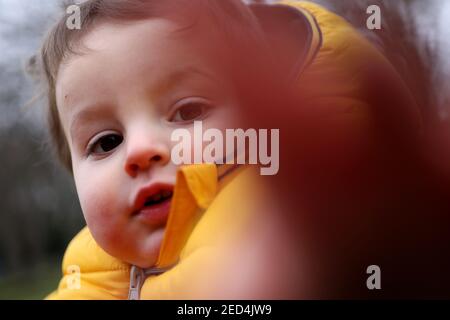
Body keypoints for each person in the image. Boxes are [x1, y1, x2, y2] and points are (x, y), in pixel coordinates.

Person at [36, 0, 421, 299]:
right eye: (107, 142)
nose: (141, 150)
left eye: (188, 111)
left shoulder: (288, 227)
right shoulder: (88, 274)